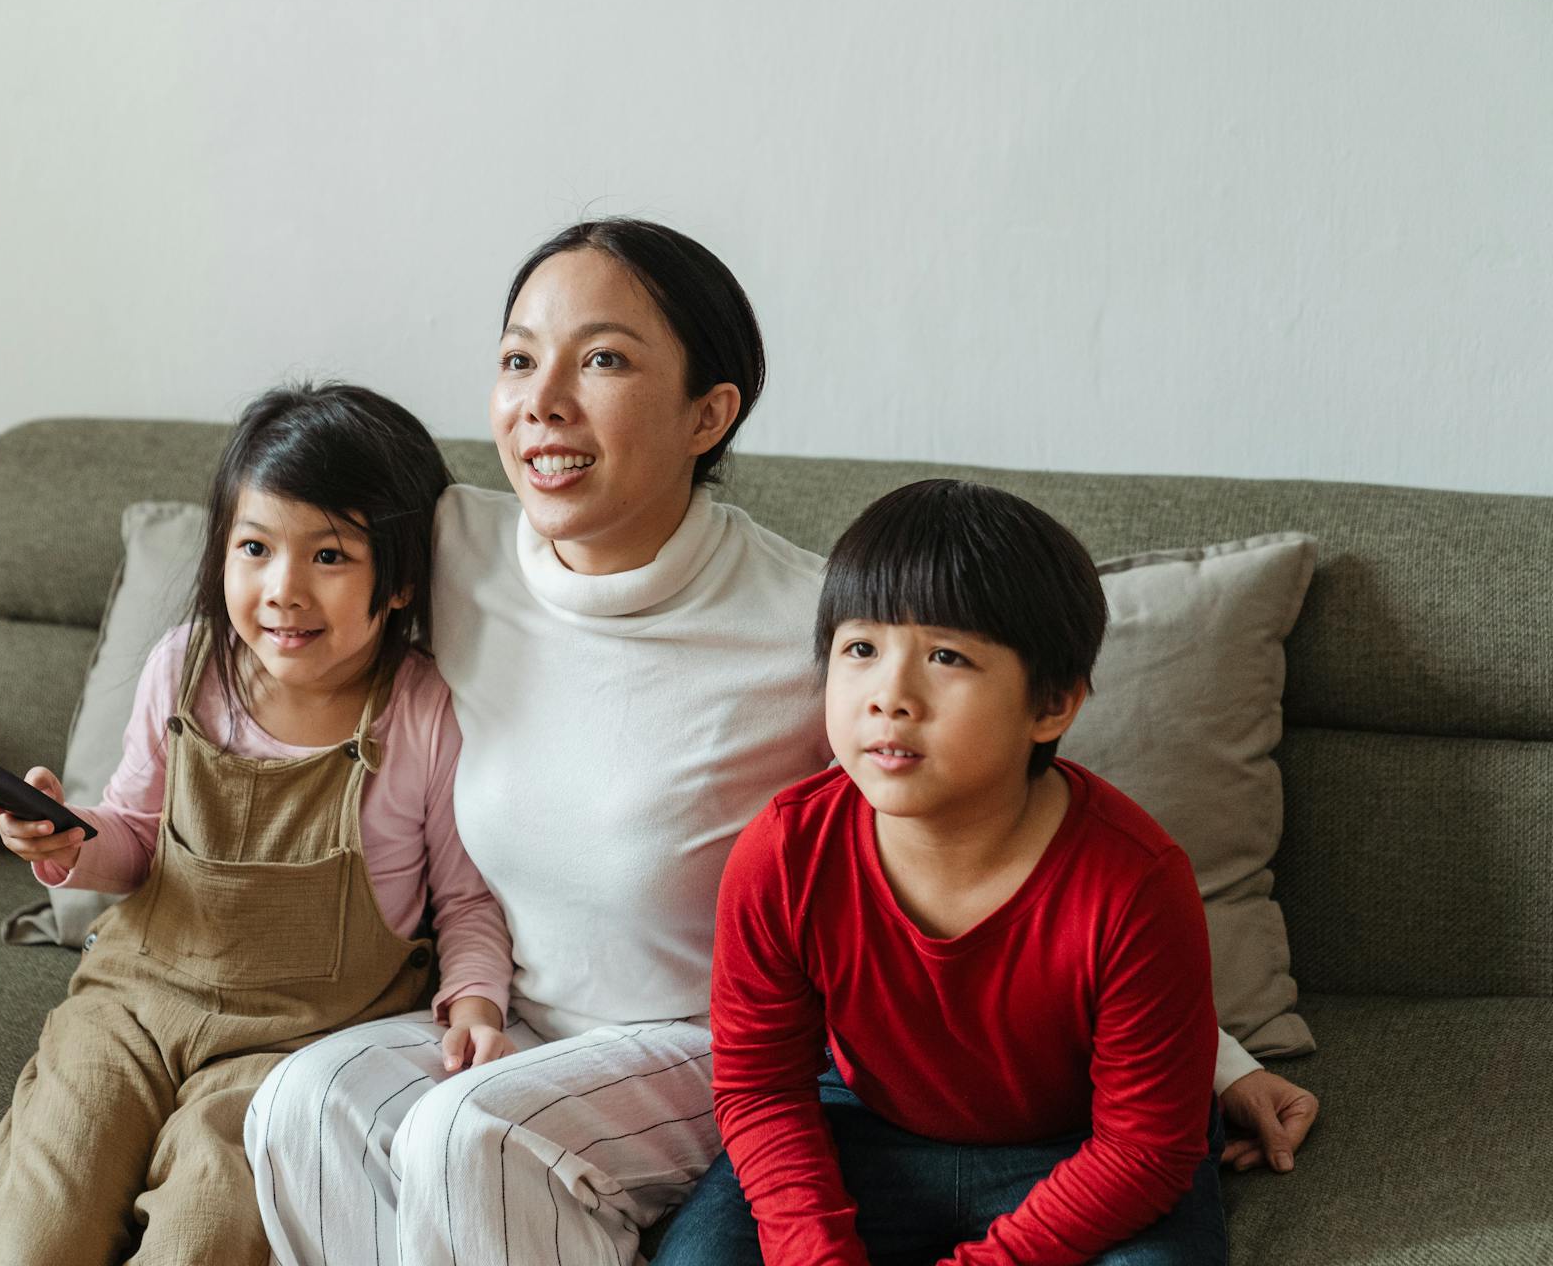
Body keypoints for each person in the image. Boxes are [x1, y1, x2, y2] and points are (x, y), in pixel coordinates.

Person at [245, 220, 1318, 1266]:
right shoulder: (450, 548)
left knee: (466, 1132)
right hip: (510, 1012)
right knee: (305, 1101)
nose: (541, 401)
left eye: (603, 358)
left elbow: (999, 819)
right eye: (519, 357)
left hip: (711, 1040)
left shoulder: (825, 629)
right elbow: (269, 603)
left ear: (709, 412)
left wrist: (1211, 1056)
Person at [0, 383, 515, 1266]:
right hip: (134, 1009)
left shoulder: (421, 712)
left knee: (209, 1234)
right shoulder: (183, 669)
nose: (282, 589)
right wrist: (70, 839)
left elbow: (464, 898)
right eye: (254, 547)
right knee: (40, 1223)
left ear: (402, 577)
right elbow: (136, 838)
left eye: (330, 556)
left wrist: (479, 1003)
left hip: (298, 1042)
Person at [655, 479, 1226, 1265]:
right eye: (861, 649)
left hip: (1081, 1152)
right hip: (863, 1129)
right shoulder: (783, 853)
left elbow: (1145, 1148)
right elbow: (762, 1090)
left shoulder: (1136, 883)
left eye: (947, 657)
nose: (890, 696)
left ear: (1052, 705)